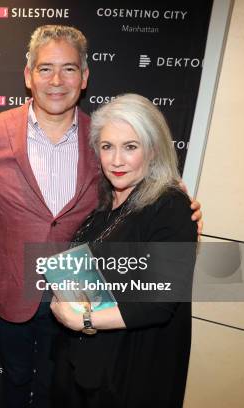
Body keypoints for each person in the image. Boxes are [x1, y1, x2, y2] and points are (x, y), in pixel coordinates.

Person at [0, 25, 202, 407]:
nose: (56, 81)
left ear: (85, 77)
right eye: (45, 69)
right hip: (11, 289)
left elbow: (144, 190)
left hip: (82, 296)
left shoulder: (103, 135)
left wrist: (181, 205)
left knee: (61, 388)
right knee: (15, 382)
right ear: (28, 76)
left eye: (69, 69)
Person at [49, 93, 197, 407]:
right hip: (86, 364)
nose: (116, 160)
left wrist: (84, 320)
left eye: (130, 147)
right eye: (107, 147)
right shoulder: (105, 202)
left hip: (130, 369)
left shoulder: (170, 205)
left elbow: (160, 302)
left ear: (153, 149)